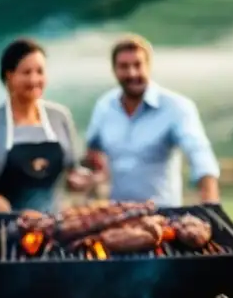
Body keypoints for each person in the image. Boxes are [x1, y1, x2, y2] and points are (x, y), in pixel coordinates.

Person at [0, 38, 89, 213]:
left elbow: (73, 167)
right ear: (9, 76)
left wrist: (79, 179)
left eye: (40, 71)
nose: (34, 80)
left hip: (51, 226)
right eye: (26, 72)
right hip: (2, 226)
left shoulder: (60, 117)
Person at [84, 34, 220, 207]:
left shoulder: (176, 107)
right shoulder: (104, 106)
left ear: (149, 66)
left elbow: (199, 153)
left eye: (138, 65)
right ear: (114, 70)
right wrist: (91, 174)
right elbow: (91, 152)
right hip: (116, 217)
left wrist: (210, 202)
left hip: (162, 218)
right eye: (124, 67)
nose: (132, 73)